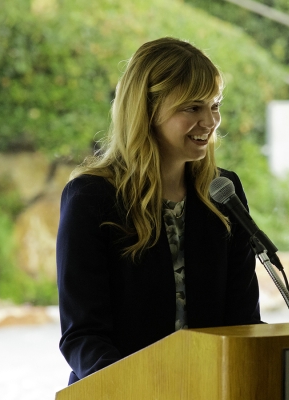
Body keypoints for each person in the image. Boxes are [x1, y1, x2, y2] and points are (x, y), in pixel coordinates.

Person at [56, 37, 262, 385]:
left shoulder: (222, 191)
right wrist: (139, 387)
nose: (210, 120)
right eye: (192, 108)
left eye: (215, 105)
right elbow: (83, 336)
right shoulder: (90, 197)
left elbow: (242, 321)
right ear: (147, 110)